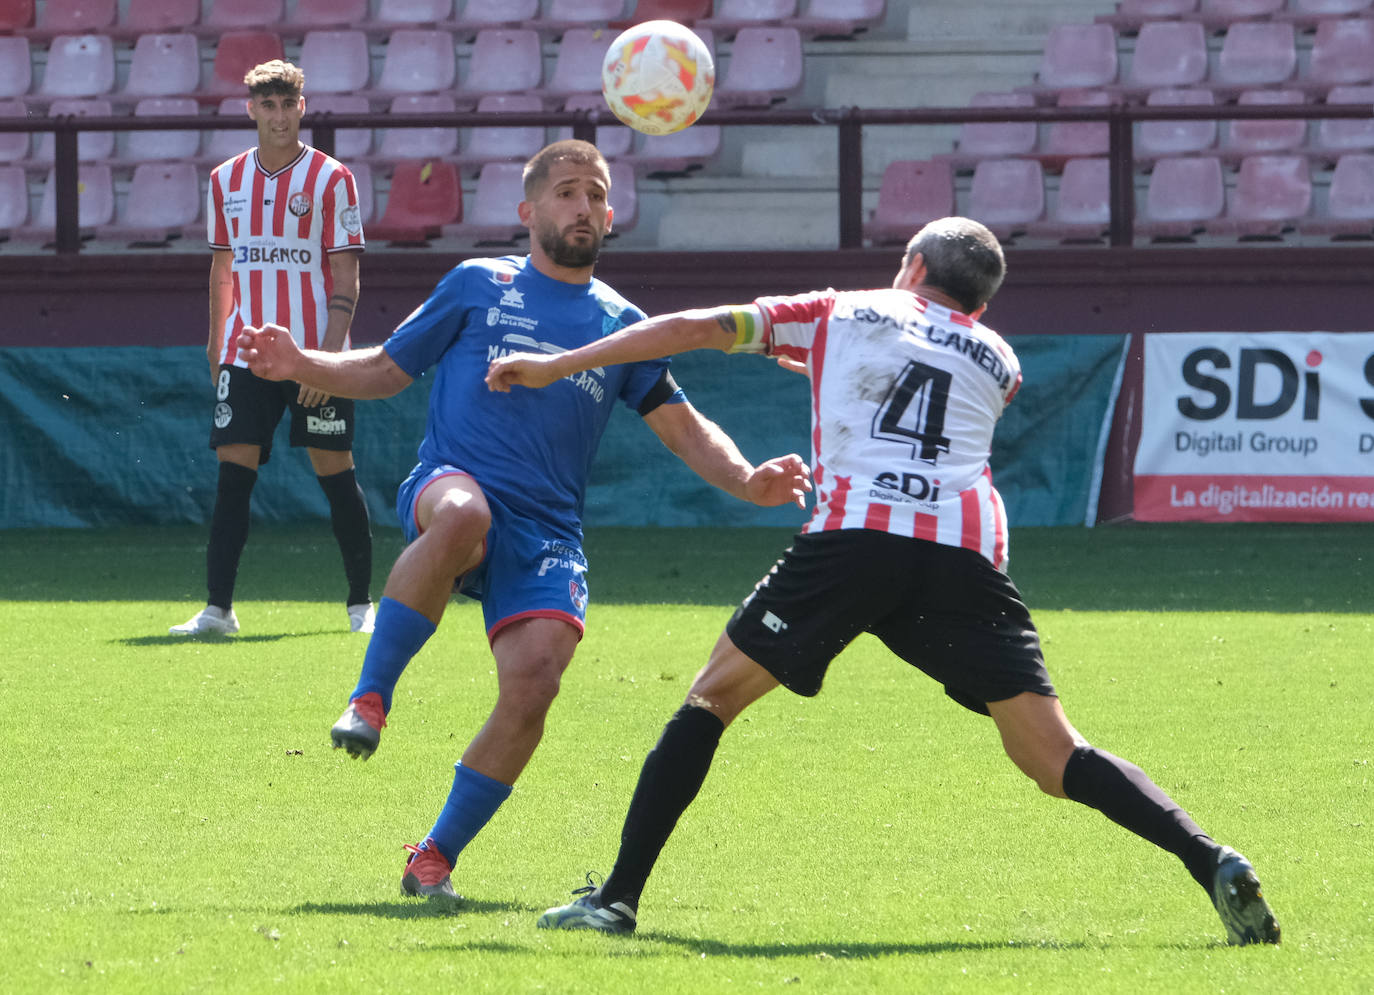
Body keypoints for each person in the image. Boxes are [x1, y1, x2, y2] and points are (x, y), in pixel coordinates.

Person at [485, 216, 1282, 946]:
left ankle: (616, 898)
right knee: (1051, 754)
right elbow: (904, 378)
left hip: (855, 538)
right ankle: (1207, 856)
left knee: (710, 698)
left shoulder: (842, 308)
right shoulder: (1001, 360)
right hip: (963, 555)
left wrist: (560, 364)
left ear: (912, 264)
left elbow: (696, 327)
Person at [235, 140, 811, 903]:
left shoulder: (622, 322)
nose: (584, 207)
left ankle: (434, 855)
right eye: (568, 192)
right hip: (453, 485)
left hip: (546, 532)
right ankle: (371, 696)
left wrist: (747, 478)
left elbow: (682, 424)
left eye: (597, 195)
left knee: (536, 682)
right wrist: (301, 362)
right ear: (528, 210)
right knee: (465, 515)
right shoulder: (479, 282)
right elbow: (386, 369)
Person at [171, 60, 373, 637]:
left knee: (336, 474)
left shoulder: (333, 179)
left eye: (289, 105)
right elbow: (222, 269)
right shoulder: (225, 179)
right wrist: (216, 342)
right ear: (251, 109)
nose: (279, 115)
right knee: (232, 479)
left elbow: (346, 278)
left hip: (313, 354)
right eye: (269, 105)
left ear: (301, 108)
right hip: (246, 353)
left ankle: (361, 606)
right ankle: (218, 610)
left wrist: (327, 361)